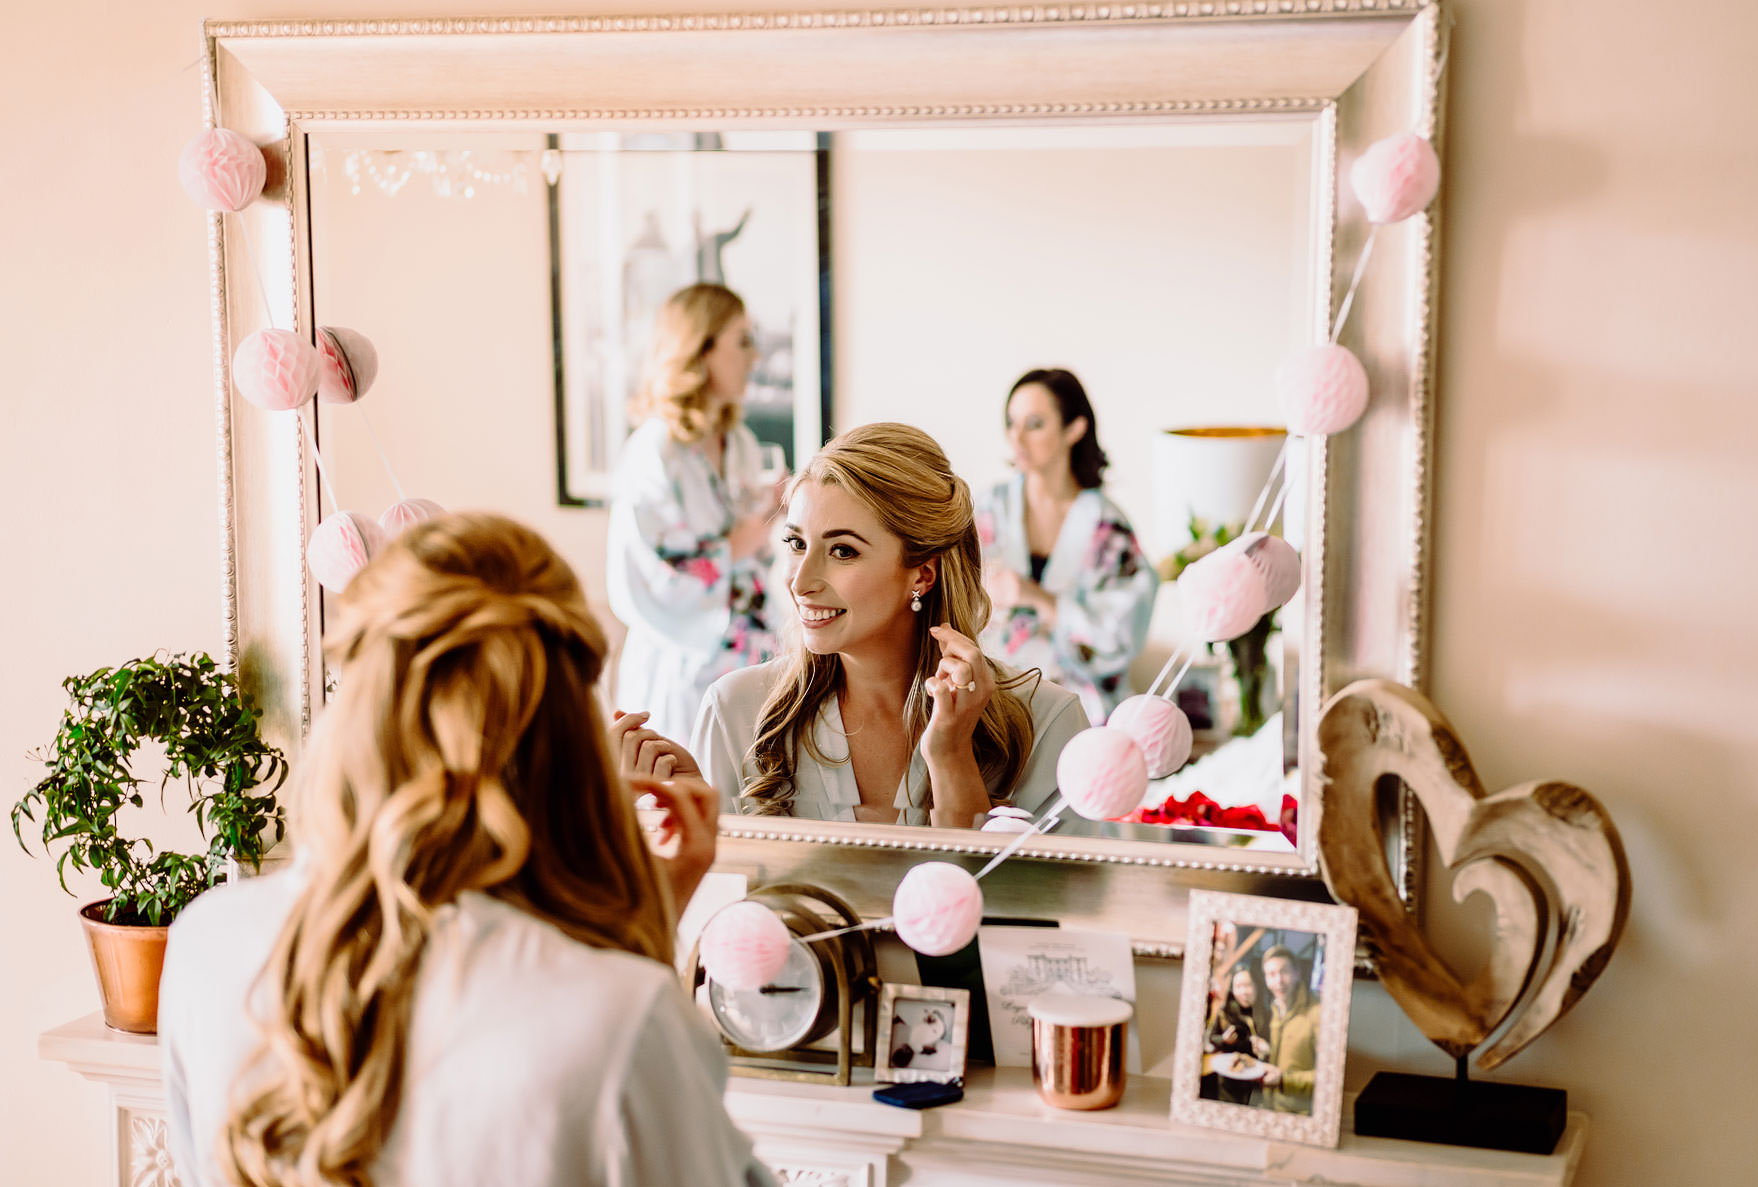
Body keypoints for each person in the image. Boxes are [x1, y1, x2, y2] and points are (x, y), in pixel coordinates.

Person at [159, 513, 775, 1187]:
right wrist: (648, 943)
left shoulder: (205, 943)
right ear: (570, 727)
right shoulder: (617, 1018)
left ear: (359, 699)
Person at [619, 423, 1089, 828]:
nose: (801, 581)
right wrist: (695, 827)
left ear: (922, 573)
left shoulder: (1047, 725)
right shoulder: (736, 715)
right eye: (796, 543)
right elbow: (725, 919)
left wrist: (952, 761)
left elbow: (1038, 923)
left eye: (842, 551)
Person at [606, 282, 782, 749]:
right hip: (679, 672)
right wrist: (751, 531)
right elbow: (656, 571)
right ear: (700, 351)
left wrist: (777, 514)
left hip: (745, 665)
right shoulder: (654, 451)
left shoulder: (739, 442)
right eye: (741, 341)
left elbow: (755, 551)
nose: (754, 356)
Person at [976, 368, 1158, 725]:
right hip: (995, 700)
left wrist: (1038, 598)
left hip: (1085, 707)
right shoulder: (986, 510)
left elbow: (1119, 636)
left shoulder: (1108, 529)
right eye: (1012, 423)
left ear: (1074, 429)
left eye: (1035, 424)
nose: (1017, 437)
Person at [1256, 944, 1320, 1115]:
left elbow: (1329, 1076)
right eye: (1271, 974)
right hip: (1272, 1108)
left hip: (1301, 1115)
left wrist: (1284, 1079)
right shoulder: (1275, 1009)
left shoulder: (1318, 1013)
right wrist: (1265, 1051)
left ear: (1297, 974)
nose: (1278, 981)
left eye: (1284, 972)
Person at [1204, 963, 1265, 1105]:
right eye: (1238, 986)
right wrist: (1224, 1040)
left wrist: (1264, 1048)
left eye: (1248, 985)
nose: (1243, 991)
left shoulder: (1266, 1013)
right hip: (1230, 1082)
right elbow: (1212, 1039)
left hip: (1257, 1083)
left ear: (1257, 986)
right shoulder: (1225, 1012)